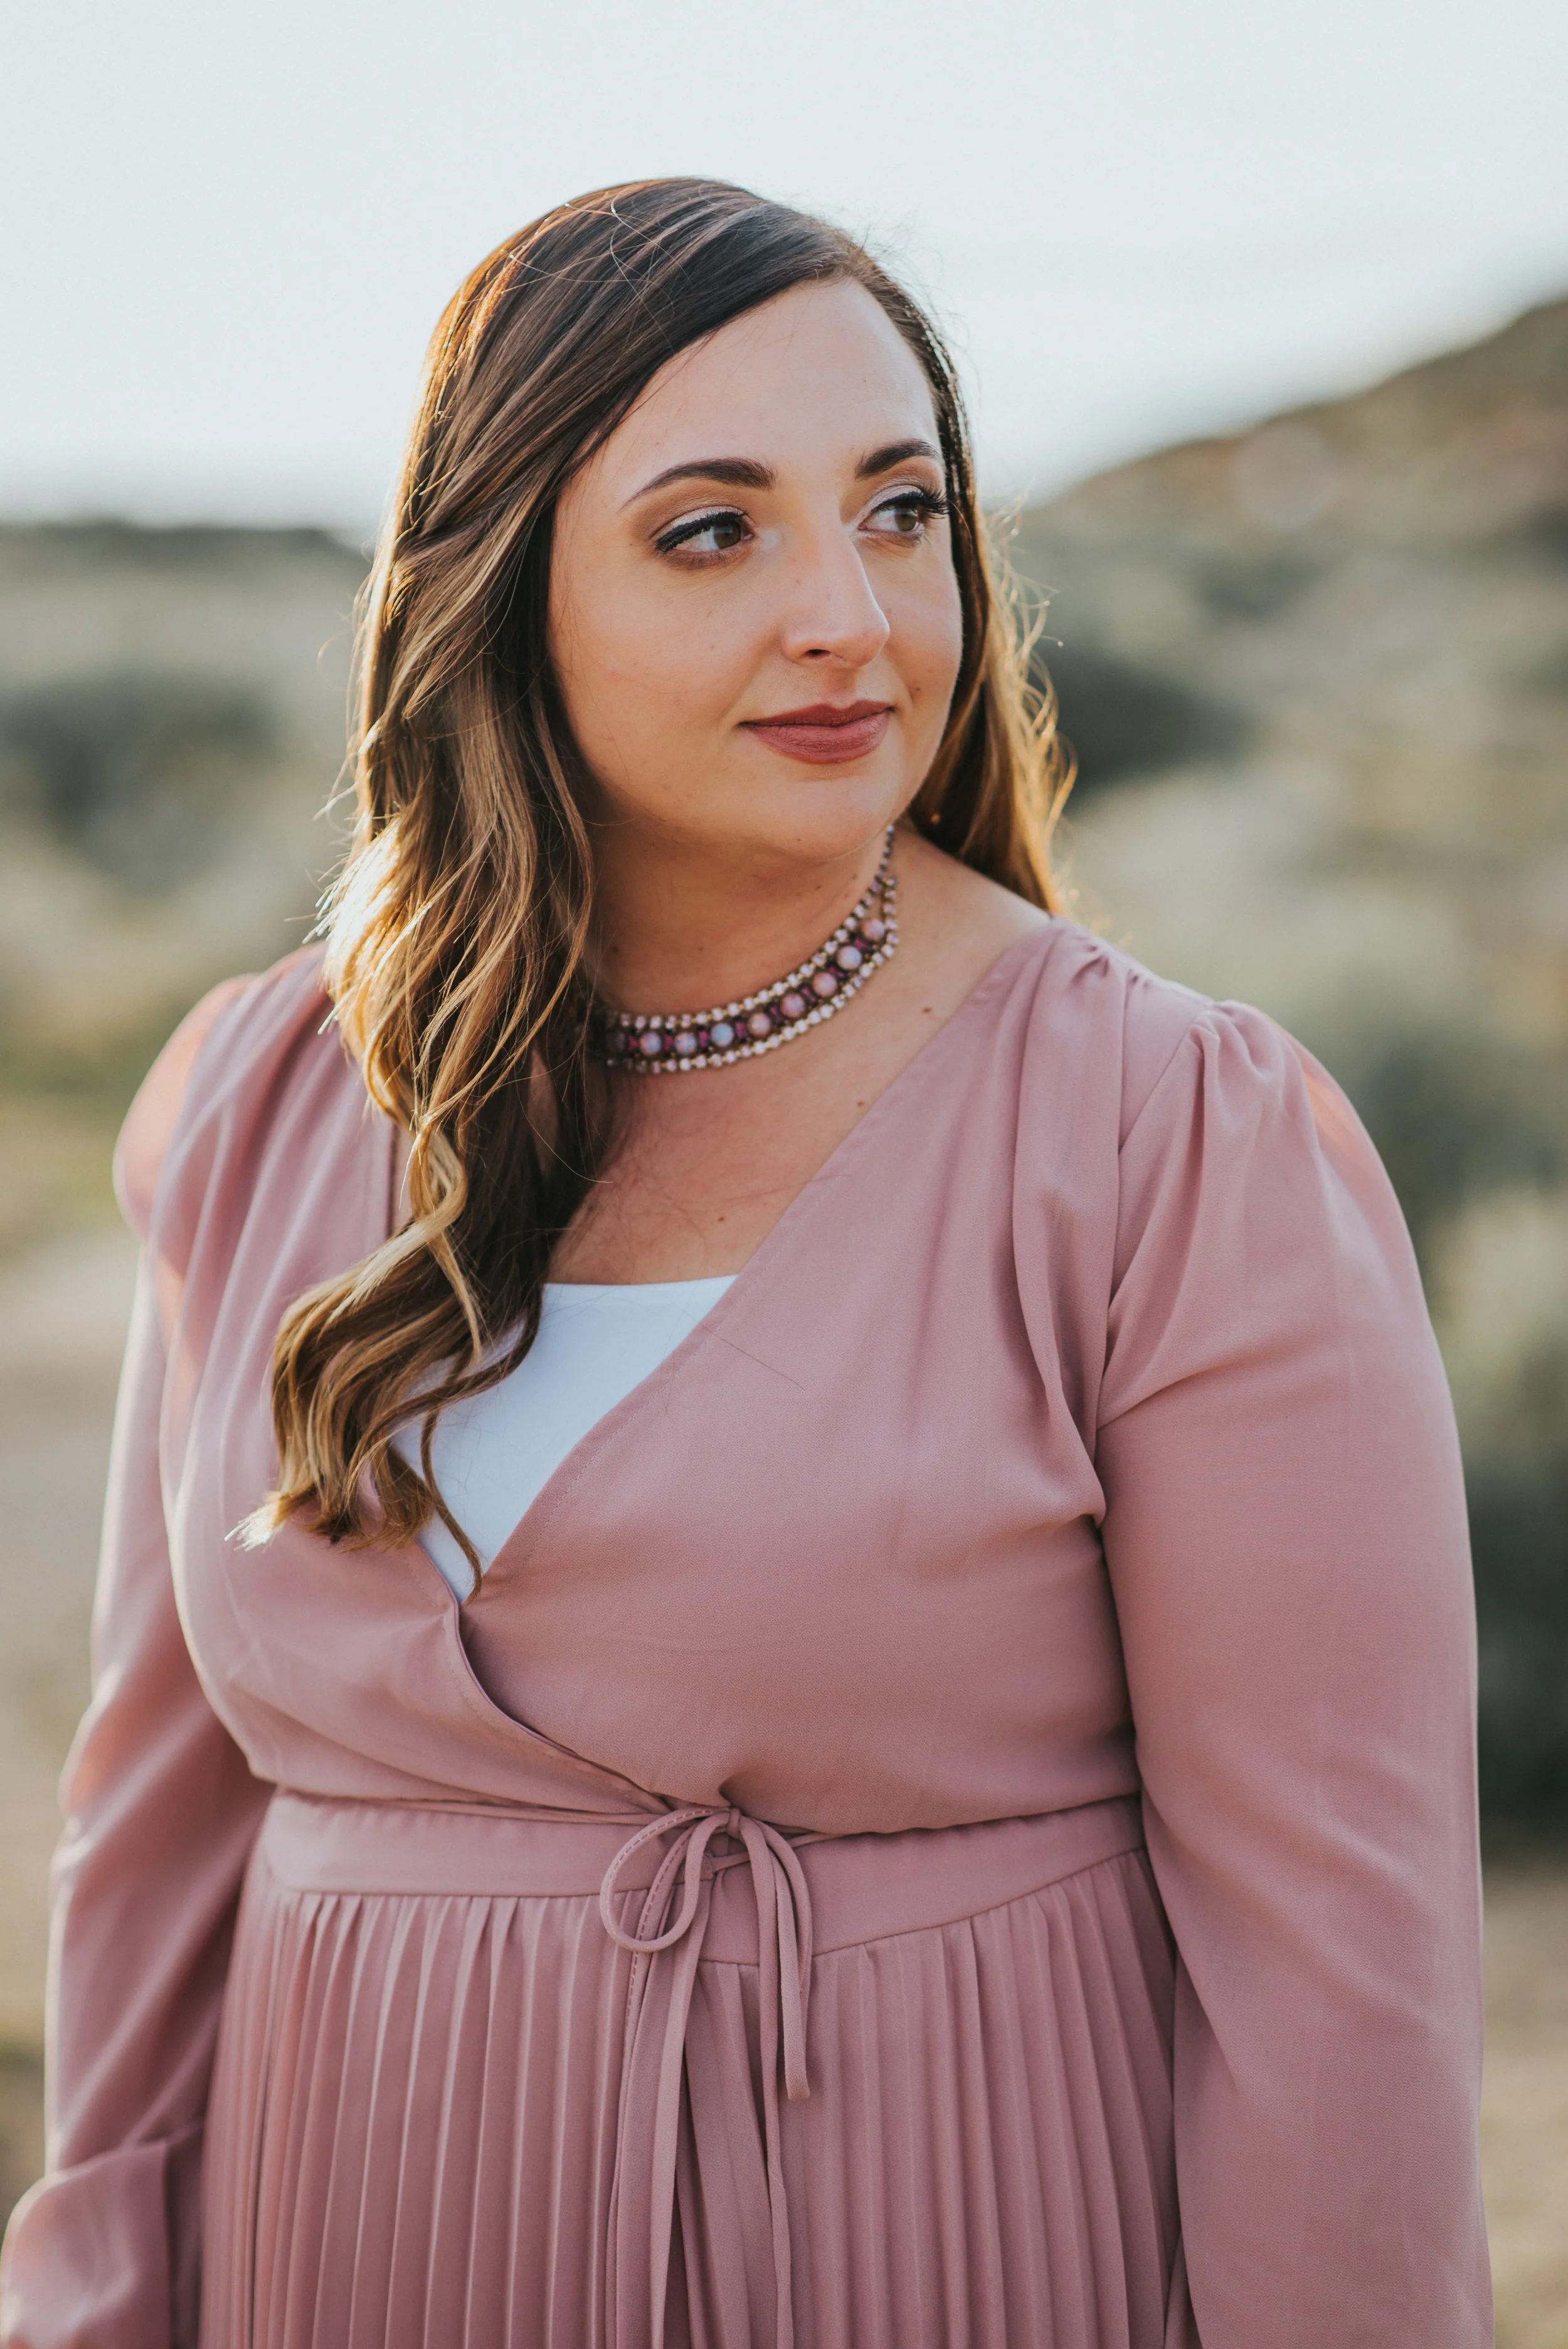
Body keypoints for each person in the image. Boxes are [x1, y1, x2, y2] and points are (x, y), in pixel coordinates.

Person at [0, 179, 1490, 2349]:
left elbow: (1337, 1982)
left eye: (900, 513)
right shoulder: (256, 1100)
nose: (848, 618)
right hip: (345, 2255)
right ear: (500, 589)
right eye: (713, 532)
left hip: (949, 2255)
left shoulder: (1171, 1136)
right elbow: (151, 1841)